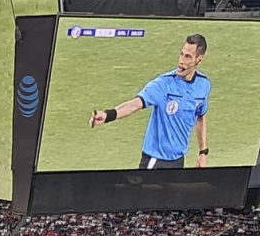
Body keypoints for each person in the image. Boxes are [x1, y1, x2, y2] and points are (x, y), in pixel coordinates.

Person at [90, 33, 211, 170]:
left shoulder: (203, 85)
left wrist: (202, 152)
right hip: (155, 160)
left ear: (199, 60)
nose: (181, 61)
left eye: (188, 56)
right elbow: (134, 105)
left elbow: (200, 117)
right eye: (181, 54)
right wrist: (108, 115)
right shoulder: (164, 84)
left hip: (178, 160)